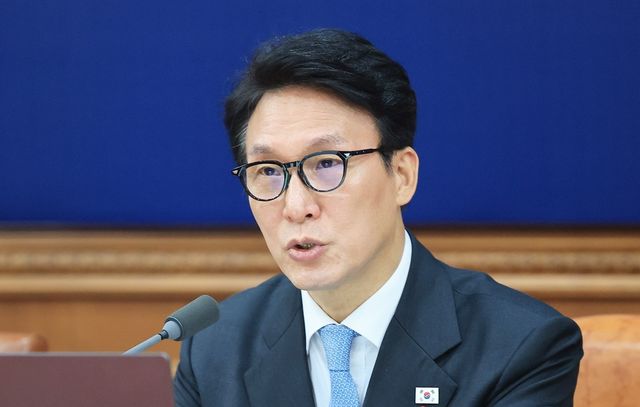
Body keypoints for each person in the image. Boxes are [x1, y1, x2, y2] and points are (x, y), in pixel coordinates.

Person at [173, 28, 583, 407]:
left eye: (327, 163)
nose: (296, 206)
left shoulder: (520, 346)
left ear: (402, 175)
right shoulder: (213, 347)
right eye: (268, 171)